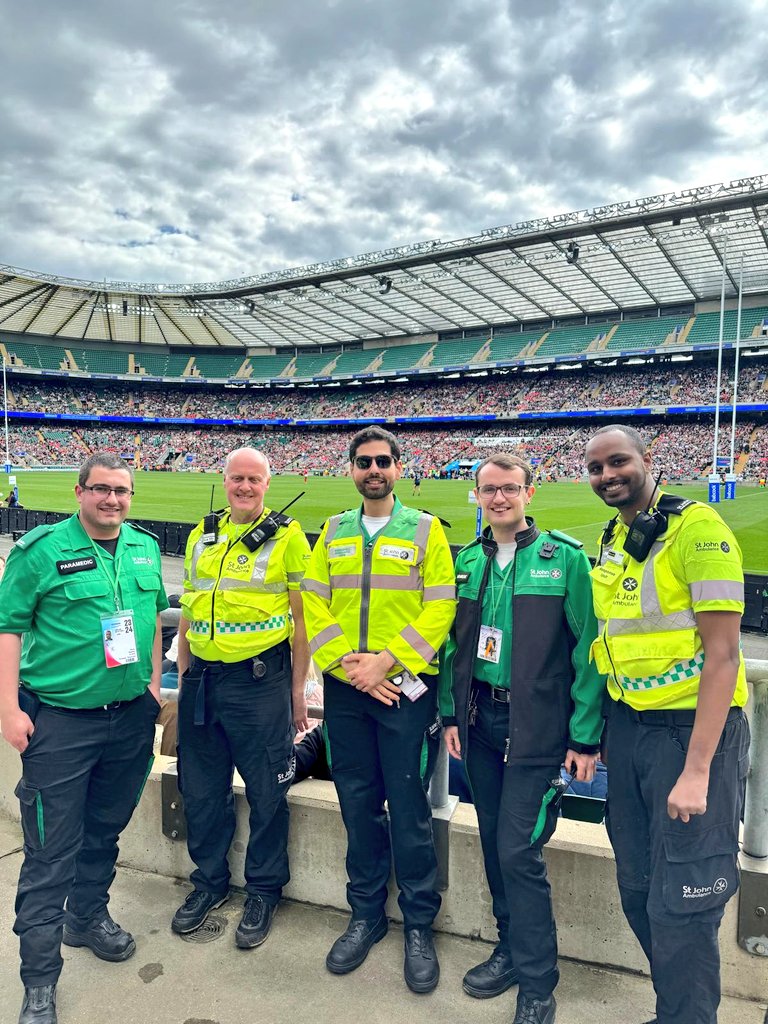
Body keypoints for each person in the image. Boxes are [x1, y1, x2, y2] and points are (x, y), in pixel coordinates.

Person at [585, 424, 750, 1024]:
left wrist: (698, 770)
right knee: (637, 887)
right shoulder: (613, 537)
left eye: (619, 461)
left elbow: (724, 656)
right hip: (630, 733)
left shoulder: (698, 530)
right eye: (597, 467)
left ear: (648, 460)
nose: (608, 475)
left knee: (683, 899)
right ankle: (676, 1010)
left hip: (691, 737)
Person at [0, 453, 167, 1024]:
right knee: (50, 852)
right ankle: (40, 981)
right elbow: (8, 626)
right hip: (63, 722)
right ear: (79, 492)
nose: (113, 500)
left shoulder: (143, 548)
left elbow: (152, 622)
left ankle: (87, 917)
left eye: (122, 491)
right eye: (101, 489)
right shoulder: (41, 550)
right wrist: (6, 707)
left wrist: (149, 686)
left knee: (104, 831)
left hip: (127, 721)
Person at [440, 453, 603, 1024]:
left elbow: (588, 651)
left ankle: (538, 980)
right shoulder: (468, 561)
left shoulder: (564, 560)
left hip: (538, 731)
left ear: (529, 492)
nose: (500, 498)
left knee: (517, 849)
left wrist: (583, 737)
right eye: (489, 490)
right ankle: (510, 947)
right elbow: (454, 649)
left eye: (510, 488)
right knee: (492, 840)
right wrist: (452, 715)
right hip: (481, 722)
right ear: (478, 497)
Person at [301, 426, 456, 994]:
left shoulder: (425, 529)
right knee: (357, 802)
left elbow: (442, 607)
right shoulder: (334, 531)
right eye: (364, 461)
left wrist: (385, 662)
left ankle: (419, 925)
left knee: (411, 808)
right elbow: (313, 603)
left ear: (399, 467)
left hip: (403, 688)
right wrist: (349, 667)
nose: (374, 469)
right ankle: (365, 914)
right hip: (347, 689)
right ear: (350, 469)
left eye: (383, 461)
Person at [172, 446, 311, 951]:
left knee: (268, 792)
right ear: (225, 480)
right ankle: (208, 882)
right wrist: (184, 670)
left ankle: (263, 890)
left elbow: (303, 624)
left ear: (267, 484)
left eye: (254, 479)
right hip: (203, 683)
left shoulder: (289, 539)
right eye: (237, 479)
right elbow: (189, 605)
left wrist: (297, 692)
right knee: (203, 789)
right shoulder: (201, 536)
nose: (245, 487)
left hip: (259, 684)